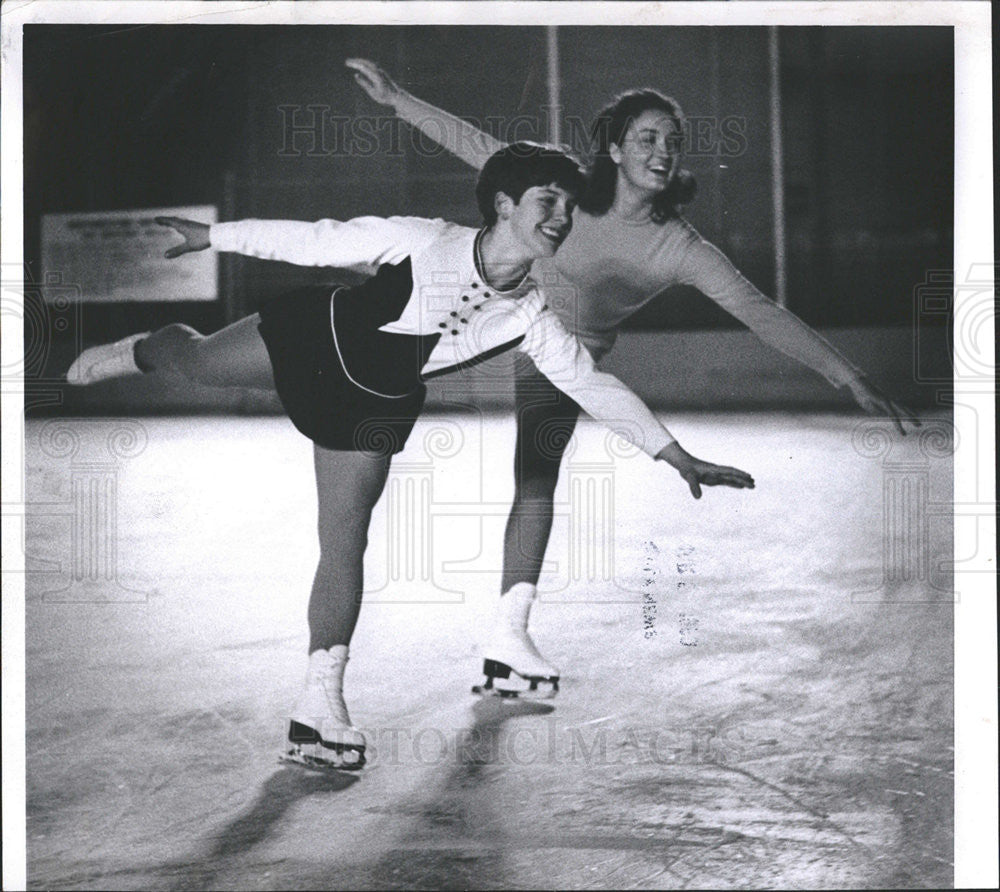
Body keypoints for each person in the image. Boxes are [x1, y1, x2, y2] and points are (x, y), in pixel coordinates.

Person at [67, 142, 755, 771]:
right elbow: (315, 242)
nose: (562, 218)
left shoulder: (531, 315)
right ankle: (140, 348)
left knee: (344, 542)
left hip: (370, 405)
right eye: (550, 201)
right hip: (310, 339)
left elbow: (590, 381)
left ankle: (319, 703)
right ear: (505, 205)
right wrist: (212, 237)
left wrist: (676, 456)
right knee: (193, 362)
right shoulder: (426, 240)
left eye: (571, 208)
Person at [346, 57, 918, 621]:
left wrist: (850, 376)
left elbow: (759, 311)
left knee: (535, 475)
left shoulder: (680, 246)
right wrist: (397, 98)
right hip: (494, 311)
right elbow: (478, 148)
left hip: (565, 350)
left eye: (673, 141)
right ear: (614, 150)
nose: (663, 152)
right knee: (377, 331)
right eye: (647, 138)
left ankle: (508, 631)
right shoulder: (562, 188)